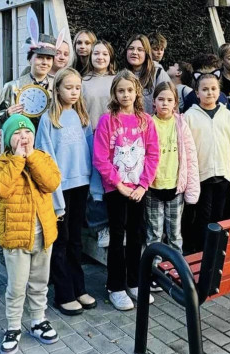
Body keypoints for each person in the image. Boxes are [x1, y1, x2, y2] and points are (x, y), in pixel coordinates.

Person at [0, 115, 61, 354]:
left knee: (40, 282)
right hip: (17, 237)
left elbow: (51, 183)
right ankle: (13, 326)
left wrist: (31, 159)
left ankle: (38, 320)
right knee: (17, 286)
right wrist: (18, 161)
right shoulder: (2, 164)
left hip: (43, 234)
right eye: (17, 134)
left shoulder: (42, 158)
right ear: (9, 140)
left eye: (27, 132)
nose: (23, 137)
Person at [92, 71, 160, 311]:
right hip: (116, 189)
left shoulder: (146, 121)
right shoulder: (107, 121)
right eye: (121, 91)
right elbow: (100, 157)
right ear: (114, 93)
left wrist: (143, 185)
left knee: (136, 235)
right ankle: (115, 286)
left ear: (136, 92)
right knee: (117, 236)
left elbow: (153, 154)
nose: (125, 95)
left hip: (138, 190)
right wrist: (118, 184)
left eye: (130, 90)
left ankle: (134, 281)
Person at [35, 68, 97, 316]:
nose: (73, 92)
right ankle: (63, 294)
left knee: (75, 239)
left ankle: (78, 287)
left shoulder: (82, 117)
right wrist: (53, 191)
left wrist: (95, 185)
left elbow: (91, 152)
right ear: (57, 89)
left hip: (81, 186)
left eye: (77, 88)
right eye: (68, 87)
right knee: (60, 241)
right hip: (60, 189)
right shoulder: (49, 120)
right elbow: (44, 158)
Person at [184, 73, 230, 252]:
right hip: (201, 176)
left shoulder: (227, 115)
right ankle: (200, 253)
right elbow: (186, 150)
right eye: (205, 89)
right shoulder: (189, 116)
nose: (209, 93)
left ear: (219, 91)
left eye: (213, 88)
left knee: (218, 216)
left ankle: (215, 253)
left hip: (223, 175)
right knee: (203, 217)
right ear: (197, 92)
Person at [148, 82, 200, 259]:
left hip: (175, 188)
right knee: (154, 234)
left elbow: (190, 157)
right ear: (154, 102)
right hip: (153, 188)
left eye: (169, 100)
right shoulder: (148, 124)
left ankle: (175, 269)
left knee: (175, 234)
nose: (164, 103)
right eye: (160, 99)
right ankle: (153, 270)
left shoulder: (181, 124)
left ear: (175, 103)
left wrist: (192, 190)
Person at [82, 40, 117, 248]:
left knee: (114, 181)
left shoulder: (116, 79)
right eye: (96, 53)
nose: (100, 57)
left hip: (116, 136)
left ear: (110, 56)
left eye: (104, 53)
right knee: (95, 184)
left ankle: (117, 225)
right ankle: (100, 226)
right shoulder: (82, 81)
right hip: (92, 134)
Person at [0, 34, 56, 128]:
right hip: (23, 140)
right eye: (39, 57)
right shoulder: (12, 86)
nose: (45, 62)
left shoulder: (57, 85)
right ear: (30, 59)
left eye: (49, 58)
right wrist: (7, 114)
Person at [125, 34, 170, 115]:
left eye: (140, 49)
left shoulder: (157, 73)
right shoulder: (123, 75)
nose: (134, 52)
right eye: (131, 48)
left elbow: (170, 104)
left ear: (146, 53)